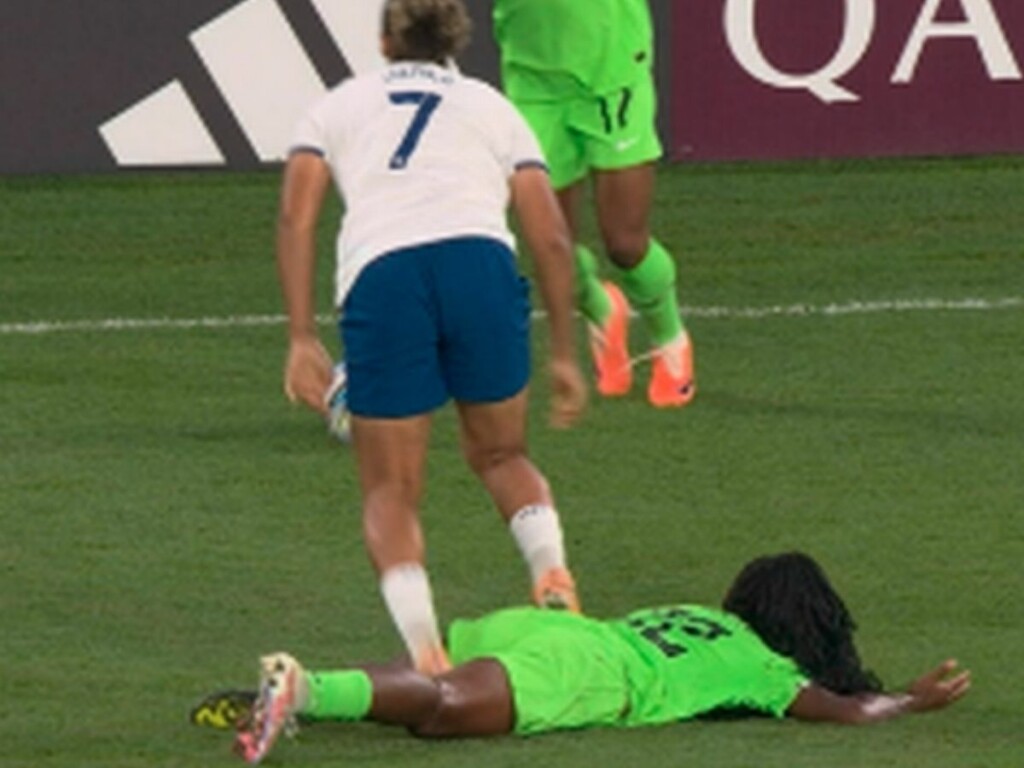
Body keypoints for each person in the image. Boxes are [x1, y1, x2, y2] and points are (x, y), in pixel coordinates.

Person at [275, 0, 588, 678]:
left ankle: (427, 654)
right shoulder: (491, 107)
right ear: (456, 42)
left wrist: (301, 336)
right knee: (504, 454)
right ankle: (553, 573)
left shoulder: (338, 105)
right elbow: (553, 238)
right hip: (480, 263)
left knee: (391, 490)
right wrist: (565, 353)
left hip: (386, 276)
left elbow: (296, 216)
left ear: (386, 38)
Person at [194, 552, 971, 764]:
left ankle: (311, 691)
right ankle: (302, 686)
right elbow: (843, 710)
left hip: (541, 631)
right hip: (589, 671)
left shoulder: (699, 615)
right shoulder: (765, 669)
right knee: (442, 714)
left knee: (434, 685)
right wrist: (910, 700)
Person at [492, 0, 696, 408]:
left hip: (611, 71)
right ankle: (603, 310)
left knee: (625, 244)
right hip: (533, 81)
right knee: (551, 243)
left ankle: (669, 336)